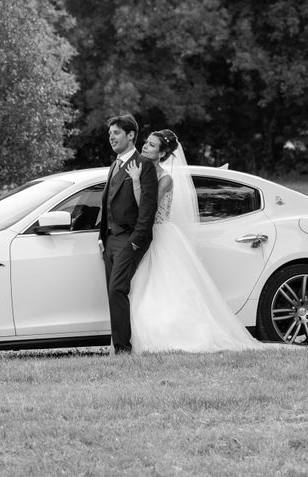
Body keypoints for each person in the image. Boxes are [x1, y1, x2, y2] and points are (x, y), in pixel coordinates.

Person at [125, 129, 268, 352]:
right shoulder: (141, 170)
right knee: (143, 289)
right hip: (144, 235)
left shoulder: (165, 179)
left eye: (152, 145)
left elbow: (146, 208)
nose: (145, 146)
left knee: (164, 288)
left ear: (162, 154)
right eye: (146, 142)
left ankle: (172, 336)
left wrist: (135, 181)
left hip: (160, 237)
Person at [98, 113, 158, 354]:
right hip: (110, 240)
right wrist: (101, 236)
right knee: (112, 292)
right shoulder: (114, 164)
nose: (111, 137)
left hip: (129, 239)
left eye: (116, 133)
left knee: (117, 289)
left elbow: (147, 209)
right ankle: (117, 346)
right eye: (110, 133)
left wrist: (135, 243)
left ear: (131, 135)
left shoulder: (144, 165)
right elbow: (107, 202)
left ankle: (123, 348)